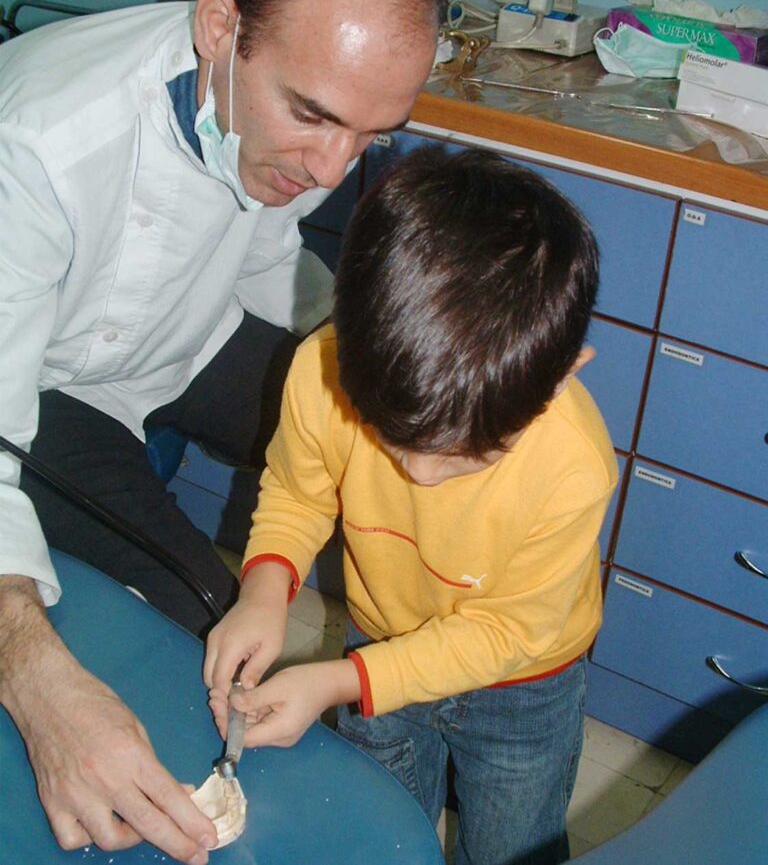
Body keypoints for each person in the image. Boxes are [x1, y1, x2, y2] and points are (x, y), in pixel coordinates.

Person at [0, 0, 446, 862]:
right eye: (313, 115)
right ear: (217, 25)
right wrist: (35, 682)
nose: (332, 168)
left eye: (370, 135)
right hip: (41, 391)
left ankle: (400, 715)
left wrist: (419, 369)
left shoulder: (304, 123)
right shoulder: (35, 144)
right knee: (206, 616)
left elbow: (268, 263)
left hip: (183, 335)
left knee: (406, 451)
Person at [205, 146, 619, 864]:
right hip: (382, 634)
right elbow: (300, 493)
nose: (421, 476)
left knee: (513, 850)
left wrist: (343, 681)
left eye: (472, 455)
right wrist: (264, 592)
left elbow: (503, 634)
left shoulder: (573, 463)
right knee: (377, 832)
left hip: (522, 684)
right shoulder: (323, 369)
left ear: (559, 378)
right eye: (392, 439)